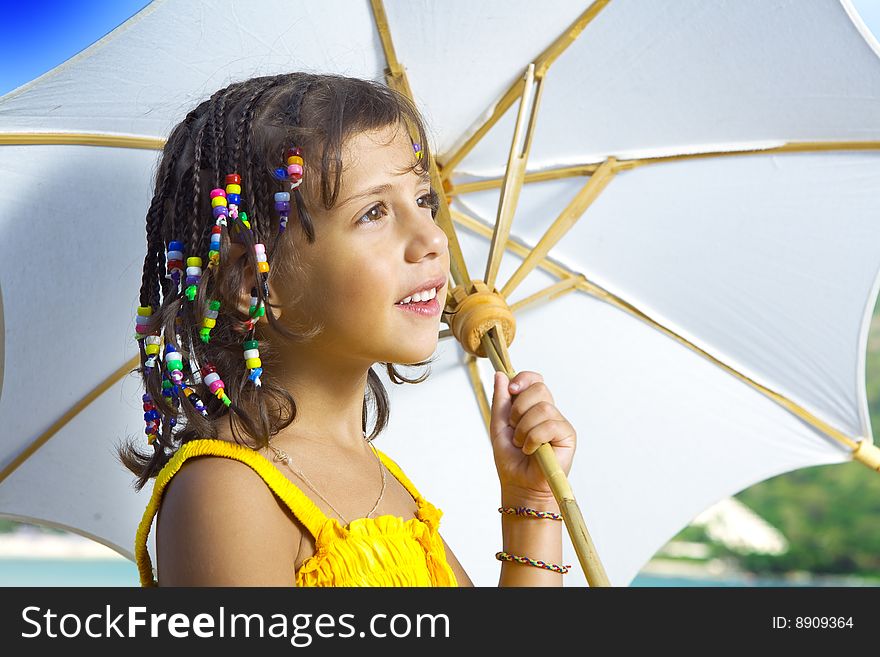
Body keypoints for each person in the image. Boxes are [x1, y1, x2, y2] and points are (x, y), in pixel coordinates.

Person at [119, 72, 577, 587]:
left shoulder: (391, 484)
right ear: (256, 283)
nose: (431, 236)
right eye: (375, 212)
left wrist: (531, 505)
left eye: (425, 201)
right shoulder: (226, 489)